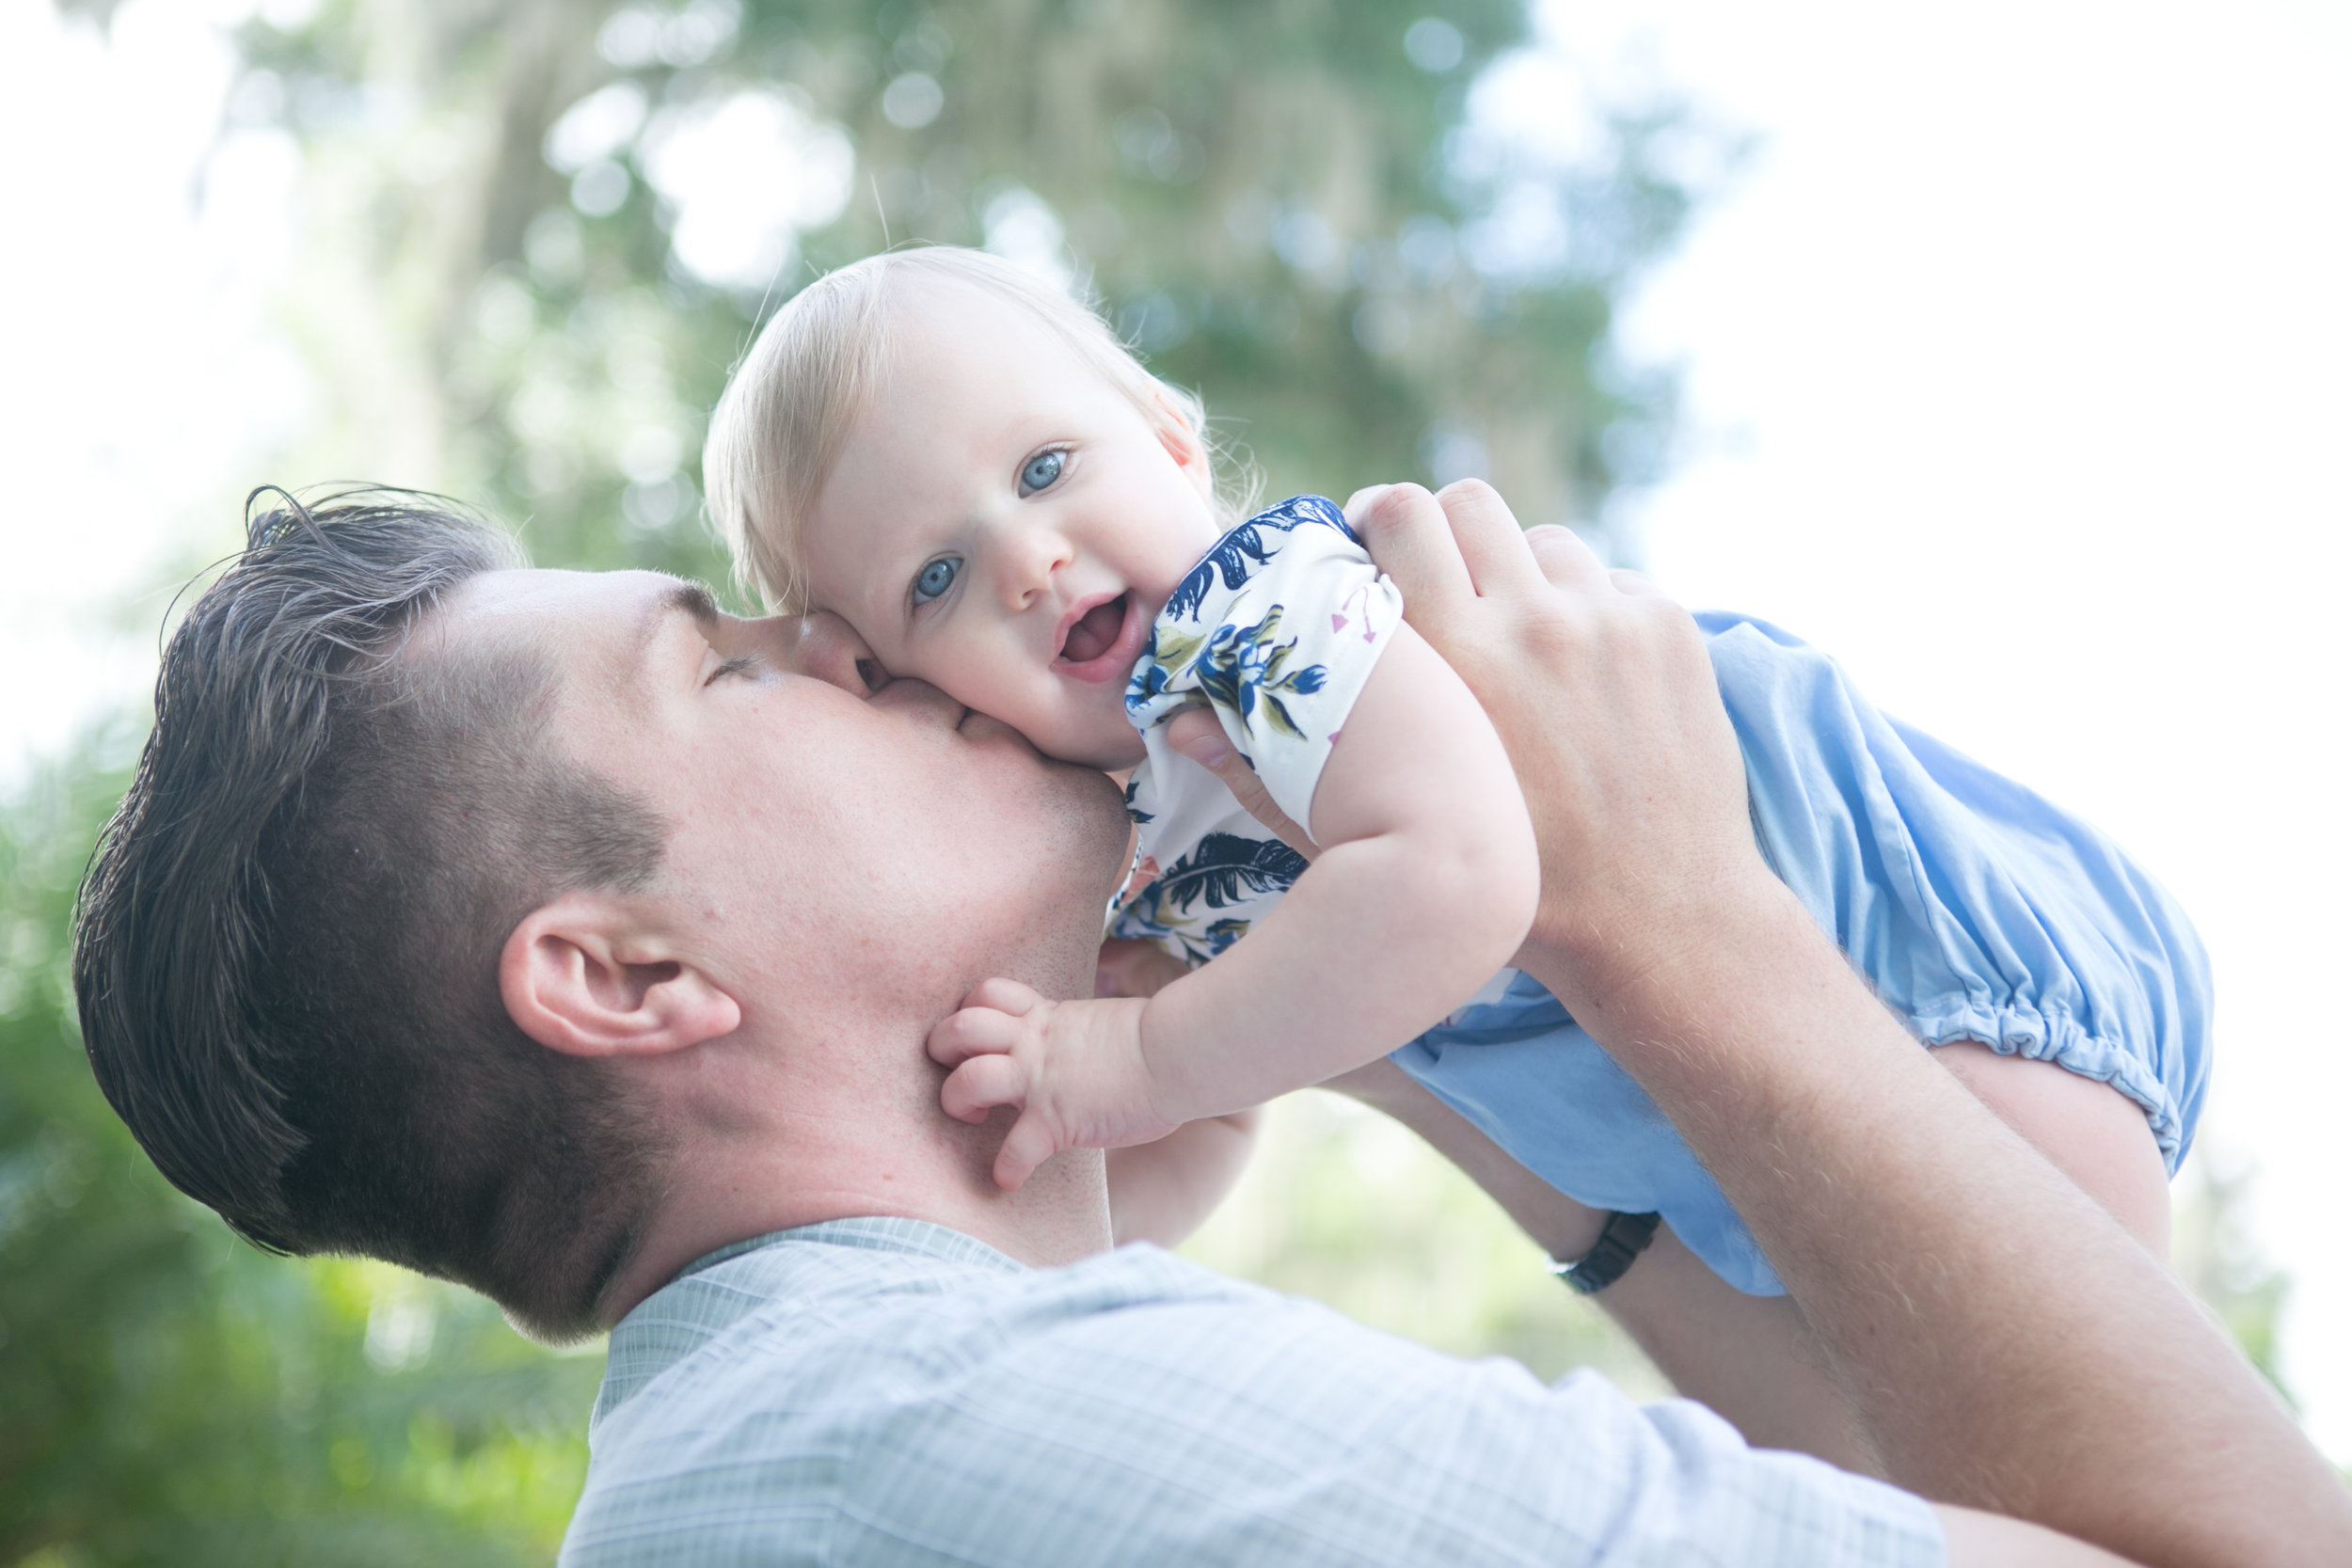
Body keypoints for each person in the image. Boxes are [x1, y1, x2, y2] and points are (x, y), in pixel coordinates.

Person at [72, 483, 2346, 1565]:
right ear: (628, 979)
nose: (860, 641)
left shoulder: (807, 1464)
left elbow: (1955, 1493)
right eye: (730, 663)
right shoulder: (977, 1438)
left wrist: (1416, 988)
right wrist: (1686, 925)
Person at [697, 247, 2203, 1388]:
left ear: (1168, 440)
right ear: (903, 680)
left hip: (1919, 972)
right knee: (1977, 1439)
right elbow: (1207, 1111)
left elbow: (1458, 870)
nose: (1025, 556)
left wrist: (1124, 1058)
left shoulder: (1266, 616)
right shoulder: (1136, 842)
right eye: (938, 579)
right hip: (1736, 1142)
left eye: (1043, 469)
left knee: (2072, 1352)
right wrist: (1041, 1204)